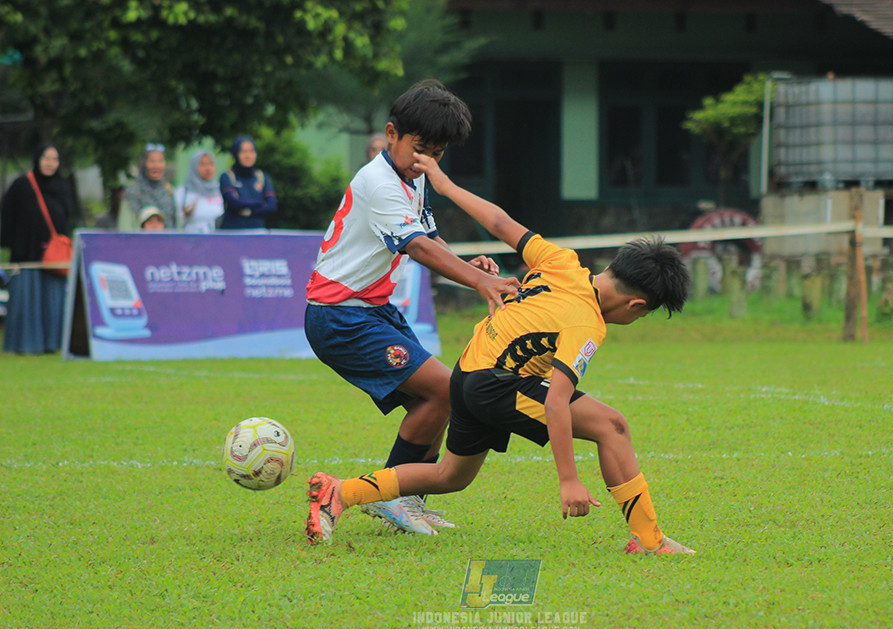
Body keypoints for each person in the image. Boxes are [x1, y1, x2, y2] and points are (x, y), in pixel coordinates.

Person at [305, 153, 696, 556]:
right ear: (635, 306)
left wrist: (446, 185)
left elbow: (499, 222)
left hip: (468, 372)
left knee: (450, 475)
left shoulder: (561, 261)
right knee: (612, 425)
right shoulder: (588, 324)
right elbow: (557, 401)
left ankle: (341, 492)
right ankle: (651, 540)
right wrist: (569, 479)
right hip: (496, 384)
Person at [303, 79, 520, 535]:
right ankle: (392, 498)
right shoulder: (379, 182)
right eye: (420, 148)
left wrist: (466, 265)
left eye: (436, 154)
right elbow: (417, 247)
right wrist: (482, 280)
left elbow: (428, 236)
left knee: (439, 396)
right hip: (341, 315)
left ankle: (407, 502)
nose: (426, 161)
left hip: (371, 310)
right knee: (446, 389)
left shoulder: (410, 176)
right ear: (390, 134)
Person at [1, 143, 75, 354]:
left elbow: (68, 217)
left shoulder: (62, 187)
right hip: (27, 255)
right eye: (46, 158)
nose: (50, 163)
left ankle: (53, 343)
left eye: (55, 159)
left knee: (53, 299)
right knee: (28, 298)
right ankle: (26, 344)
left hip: (54, 256)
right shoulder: (22, 185)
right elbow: (8, 217)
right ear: (37, 159)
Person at [217, 136, 277, 230]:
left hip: (257, 231)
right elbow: (234, 203)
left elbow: (272, 206)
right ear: (236, 154)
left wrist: (249, 211)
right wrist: (260, 203)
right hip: (232, 232)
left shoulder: (262, 177)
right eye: (243, 151)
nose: (248, 155)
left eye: (251, 151)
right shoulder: (227, 177)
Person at [118, 143, 177, 230]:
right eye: (152, 161)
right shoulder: (133, 191)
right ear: (144, 163)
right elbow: (125, 228)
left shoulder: (169, 190)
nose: (156, 166)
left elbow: (176, 223)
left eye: (160, 161)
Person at [176, 150, 223, 233]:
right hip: (191, 239)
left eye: (211, 164)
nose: (208, 168)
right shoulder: (184, 192)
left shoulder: (220, 190)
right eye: (203, 164)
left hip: (216, 240)